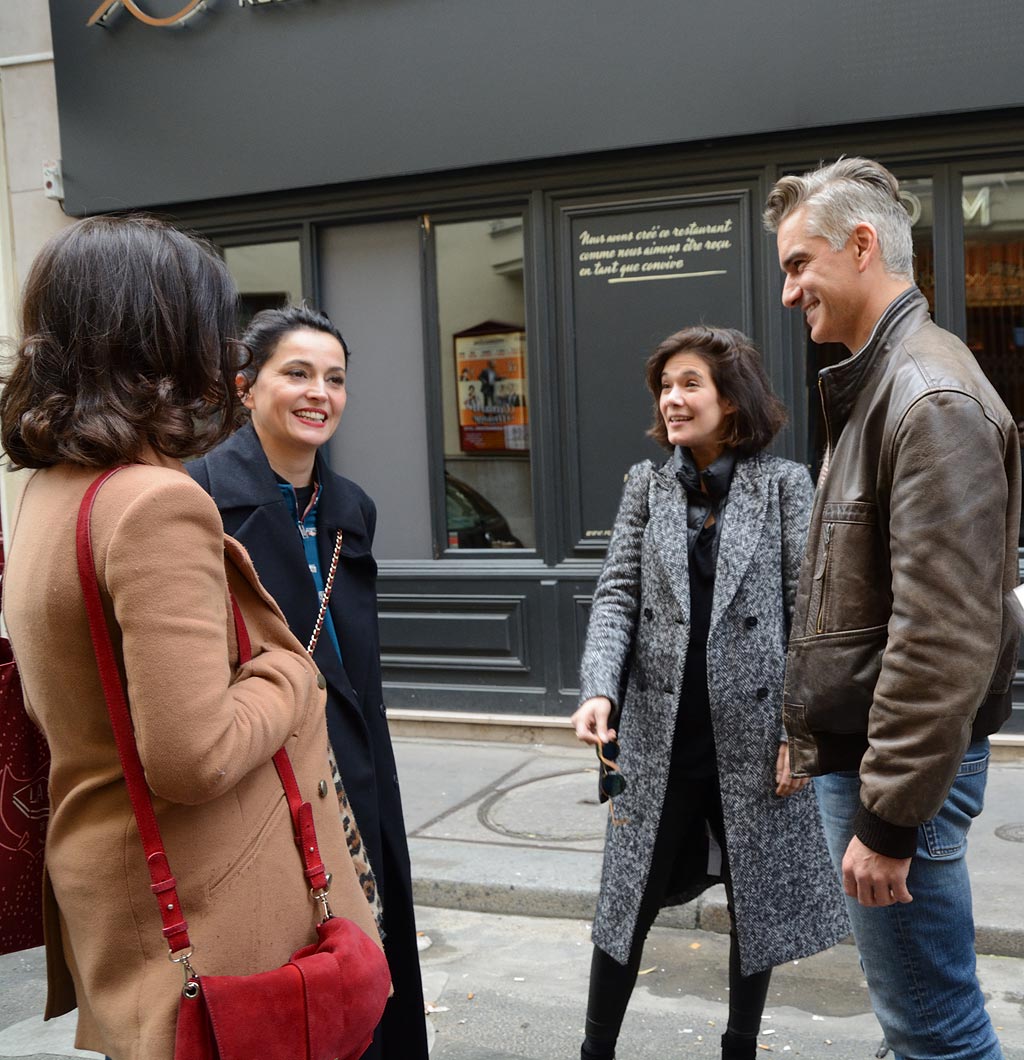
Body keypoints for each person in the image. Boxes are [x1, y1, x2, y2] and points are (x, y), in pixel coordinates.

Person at [0, 217, 385, 1060]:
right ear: (161, 337)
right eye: (209, 323)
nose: (222, 350)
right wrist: (291, 672)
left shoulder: (55, 493)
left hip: (122, 888)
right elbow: (191, 754)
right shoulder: (154, 503)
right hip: (219, 911)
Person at [764, 157, 1021, 1059]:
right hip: (875, 758)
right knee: (916, 1017)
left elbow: (943, 634)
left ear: (862, 245)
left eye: (800, 264)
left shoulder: (926, 393)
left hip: (896, 772)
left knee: (936, 1029)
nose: (790, 290)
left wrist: (889, 818)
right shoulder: (883, 381)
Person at [571, 326, 849, 1060]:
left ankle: (740, 1047)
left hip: (754, 736)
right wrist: (600, 688)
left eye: (689, 383)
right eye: (665, 385)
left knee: (753, 903)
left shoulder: (786, 486)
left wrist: (801, 730)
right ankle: (595, 1049)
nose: (672, 398)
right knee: (625, 903)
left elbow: (806, 619)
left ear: (732, 398)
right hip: (661, 733)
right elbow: (616, 596)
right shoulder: (646, 485)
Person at [187, 304, 428, 1060]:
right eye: (297, 373)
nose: (319, 391)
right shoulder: (195, 500)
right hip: (263, 778)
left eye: (335, 378)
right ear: (246, 388)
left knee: (371, 969)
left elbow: (364, 672)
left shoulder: (352, 507)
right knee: (291, 988)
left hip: (359, 772)